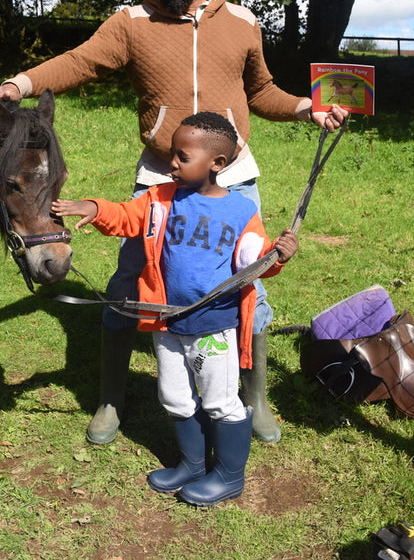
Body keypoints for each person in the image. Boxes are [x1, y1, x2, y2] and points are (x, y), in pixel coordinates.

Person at [0, 0, 345, 445]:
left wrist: (309, 108)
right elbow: (80, 62)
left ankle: (254, 397)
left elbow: (261, 92)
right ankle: (110, 400)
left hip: (233, 179)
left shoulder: (241, 21)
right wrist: (20, 83)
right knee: (129, 286)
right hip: (159, 179)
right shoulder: (131, 22)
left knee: (247, 284)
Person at [52, 112, 298, 506]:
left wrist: (277, 255)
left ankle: (230, 476)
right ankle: (193, 464)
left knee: (220, 400)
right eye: (172, 155)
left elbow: (255, 260)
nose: (172, 164)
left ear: (217, 164)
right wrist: (94, 208)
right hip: (166, 322)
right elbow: (125, 216)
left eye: (183, 157)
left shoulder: (240, 212)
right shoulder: (159, 198)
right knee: (175, 397)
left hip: (213, 326)